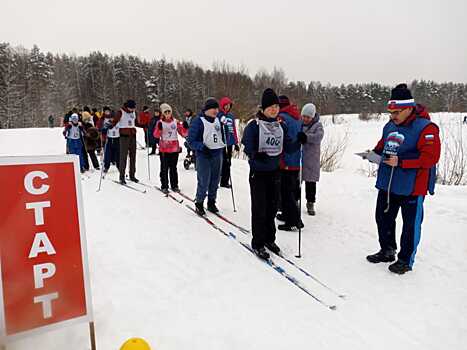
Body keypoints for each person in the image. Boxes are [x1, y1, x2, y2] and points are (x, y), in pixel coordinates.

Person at [366, 83, 441, 274]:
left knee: (410, 226)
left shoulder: (427, 128)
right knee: (382, 218)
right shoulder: (390, 126)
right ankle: (387, 250)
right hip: (387, 183)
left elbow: (430, 158)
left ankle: (405, 260)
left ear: (409, 108)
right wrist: (372, 153)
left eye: (396, 112)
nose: (392, 116)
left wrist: (402, 162)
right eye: (390, 112)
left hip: (412, 187)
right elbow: (382, 146)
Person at [241, 88, 292, 260]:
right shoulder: (253, 126)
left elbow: (289, 147)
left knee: (271, 209)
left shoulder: (281, 125)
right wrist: (256, 155)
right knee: (260, 209)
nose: (274, 109)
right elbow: (247, 146)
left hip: (275, 172)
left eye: (277, 106)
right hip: (258, 174)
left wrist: (300, 140)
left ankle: (270, 239)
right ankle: (258, 242)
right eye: (271, 107)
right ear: (263, 108)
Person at [187, 98, 225, 215]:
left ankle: (211, 202)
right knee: (204, 180)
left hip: (217, 154)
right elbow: (191, 140)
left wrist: (225, 145)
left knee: (215, 180)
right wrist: (202, 147)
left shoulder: (218, 120)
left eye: (217, 108)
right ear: (207, 109)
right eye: (213, 108)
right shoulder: (198, 121)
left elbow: (221, 137)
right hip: (204, 156)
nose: (215, 111)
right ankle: (199, 203)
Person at [276, 95, 304, 231]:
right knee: (291, 190)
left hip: (285, 159)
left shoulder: (281, 118)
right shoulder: (297, 117)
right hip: (296, 159)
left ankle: (294, 220)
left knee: (285, 192)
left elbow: (280, 138)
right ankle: (288, 215)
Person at [153, 103, 189, 193]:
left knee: (173, 168)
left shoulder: (175, 122)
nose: (168, 114)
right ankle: (164, 185)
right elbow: (156, 135)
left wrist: (185, 127)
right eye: (166, 112)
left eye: (169, 111)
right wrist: (159, 129)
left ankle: (174, 185)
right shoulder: (160, 122)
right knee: (164, 168)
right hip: (164, 149)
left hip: (174, 149)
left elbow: (183, 133)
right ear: (163, 113)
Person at [298, 103, 324, 216]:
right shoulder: (299, 124)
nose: (305, 119)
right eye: (304, 116)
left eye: (308, 117)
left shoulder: (318, 126)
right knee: (297, 181)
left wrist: (306, 137)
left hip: (311, 159)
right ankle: (295, 201)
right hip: (299, 158)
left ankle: (310, 203)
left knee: (311, 183)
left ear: (313, 117)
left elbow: (319, 137)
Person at [113, 99, 138, 184]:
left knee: (133, 156)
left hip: (133, 136)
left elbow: (136, 123)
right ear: (128, 107)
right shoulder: (121, 112)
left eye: (134, 108)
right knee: (123, 157)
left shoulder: (134, 113)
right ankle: (122, 176)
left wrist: (144, 125)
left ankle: (132, 175)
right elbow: (114, 121)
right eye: (132, 108)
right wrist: (109, 126)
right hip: (124, 137)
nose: (133, 110)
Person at [218, 97, 240, 188]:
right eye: (225, 105)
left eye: (229, 105)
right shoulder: (219, 115)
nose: (227, 107)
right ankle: (217, 180)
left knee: (228, 162)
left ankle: (225, 181)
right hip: (221, 143)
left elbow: (233, 130)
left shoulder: (231, 116)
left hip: (230, 142)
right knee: (220, 162)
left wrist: (236, 142)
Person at [100, 107, 120, 173]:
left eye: (113, 117)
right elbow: (102, 131)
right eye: (111, 117)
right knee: (107, 154)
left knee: (118, 155)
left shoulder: (118, 123)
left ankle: (119, 166)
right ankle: (106, 167)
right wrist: (105, 128)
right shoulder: (107, 123)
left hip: (117, 139)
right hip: (109, 139)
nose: (112, 119)